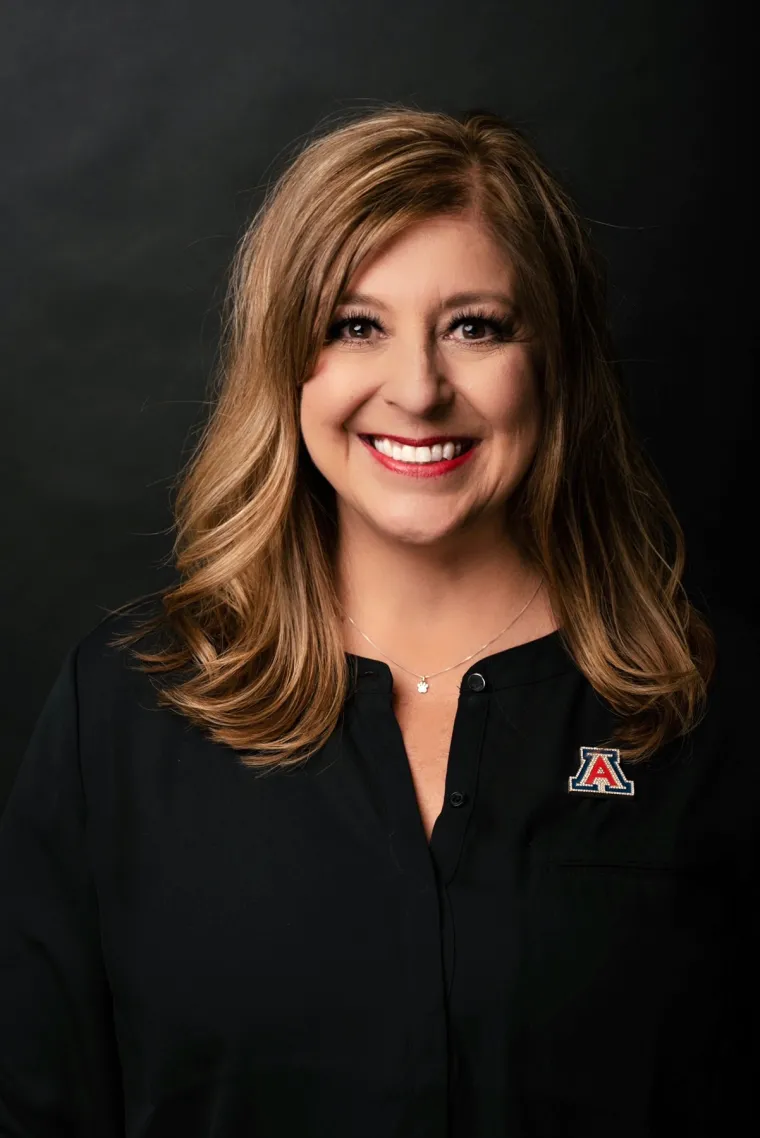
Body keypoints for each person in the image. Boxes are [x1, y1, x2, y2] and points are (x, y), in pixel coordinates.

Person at [0, 105, 756, 1137]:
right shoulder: (124, 712)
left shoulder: (707, 710)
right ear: (285, 362)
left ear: (555, 361)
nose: (417, 388)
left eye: (474, 327)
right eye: (355, 326)